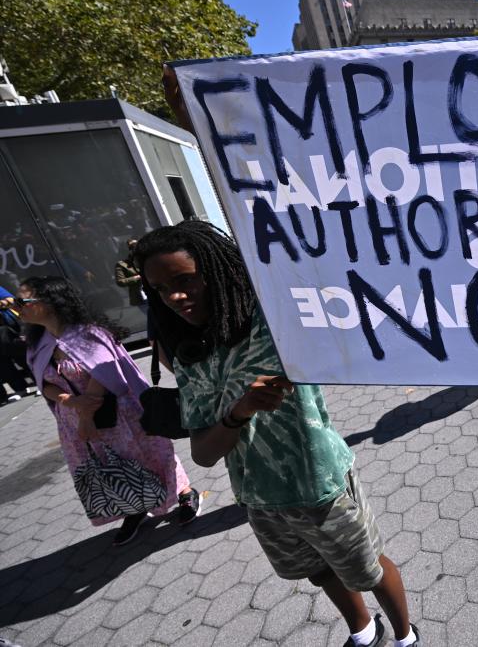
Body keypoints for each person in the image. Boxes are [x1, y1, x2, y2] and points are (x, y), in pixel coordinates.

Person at [135, 221, 419, 647]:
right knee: (319, 571)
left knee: (368, 569)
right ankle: (363, 631)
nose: (175, 296)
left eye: (184, 280)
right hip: (262, 499)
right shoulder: (191, 358)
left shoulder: (278, 322)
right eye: (159, 289)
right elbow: (204, 454)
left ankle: (405, 637)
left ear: (215, 270)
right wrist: (238, 412)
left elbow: (331, 282)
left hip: (319, 485)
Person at [17, 276, 202, 545]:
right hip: (76, 418)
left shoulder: (88, 334)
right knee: (110, 462)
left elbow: (105, 374)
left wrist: (86, 411)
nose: (17, 307)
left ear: (49, 303)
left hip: (120, 413)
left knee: (148, 453)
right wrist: (70, 402)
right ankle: (136, 504)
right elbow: (44, 384)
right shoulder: (37, 345)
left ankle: (183, 492)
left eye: (23, 301)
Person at [0, 285, 32, 404]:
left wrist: (2, 303)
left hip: (6, 328)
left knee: (21, 355)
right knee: (3, 364)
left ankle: (40, 383)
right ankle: (20, 389)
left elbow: (11, 300)